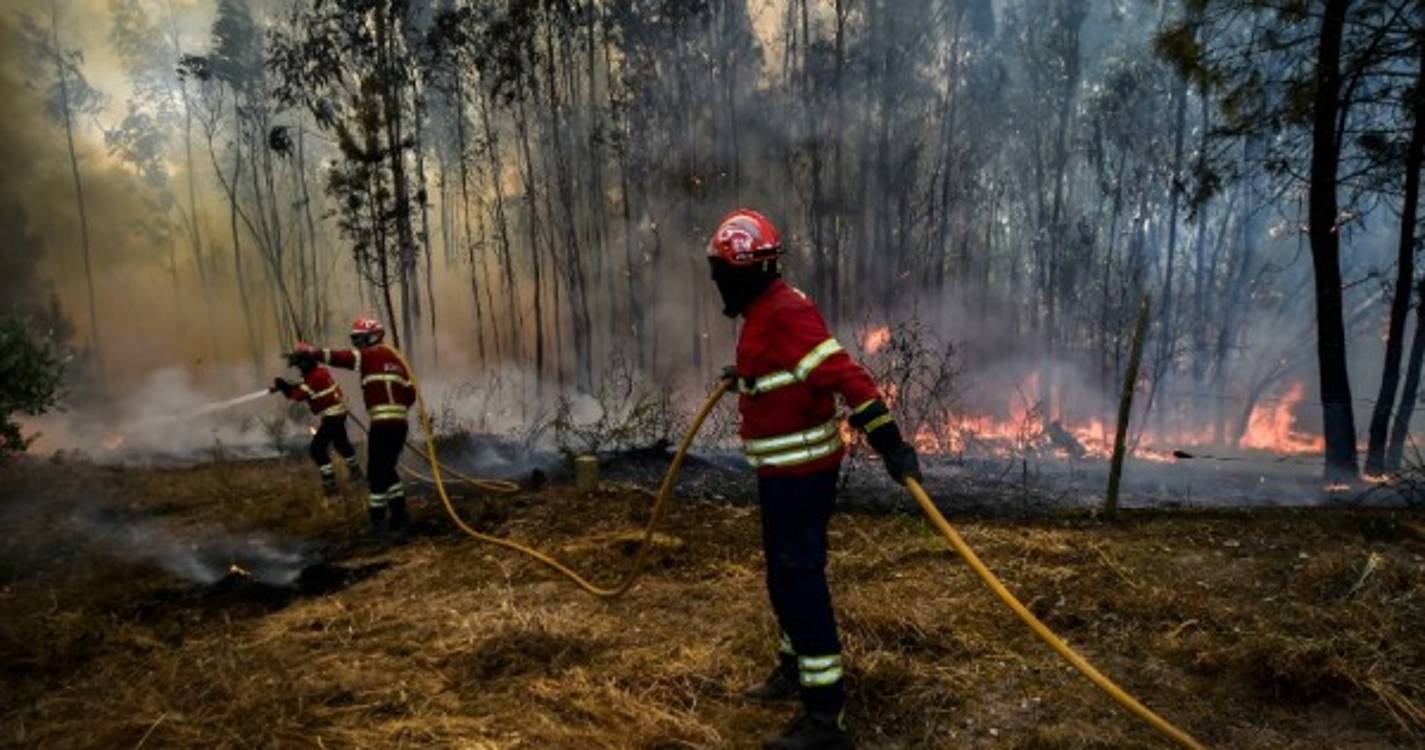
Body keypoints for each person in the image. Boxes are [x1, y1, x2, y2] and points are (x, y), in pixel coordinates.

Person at [708, 209, 921, 750]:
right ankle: (793, 669)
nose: (717, 283)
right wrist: (748, 379)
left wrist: (891, 444)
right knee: (783, 579)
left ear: (750, 271)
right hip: (782, 476)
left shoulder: (782, 315)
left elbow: (850, 379)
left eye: (723, 273)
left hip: (802, 479)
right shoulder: (765, 311)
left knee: (800, 585)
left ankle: (826, 720)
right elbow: (789, 374)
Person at [290, 318, 416, 533]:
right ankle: (400, 516)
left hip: (382, 426)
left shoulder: (370, 355)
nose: (357, 344)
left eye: (359, 338)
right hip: (399, 426)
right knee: (387, 469)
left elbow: (341, 358)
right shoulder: (397, 361)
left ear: (372, 336)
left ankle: (379, 524)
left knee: (375, 474)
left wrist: (314, 352)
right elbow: (411, 395)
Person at [271, 342, 361, 495]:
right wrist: (286, 386)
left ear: (306, 362)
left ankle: (330, 484)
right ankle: (357, 475)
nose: (298, 368)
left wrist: (285, 387)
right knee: (341, 444)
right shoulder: (320, 372)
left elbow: (298, 396)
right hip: (337, 414)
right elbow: (303, 386)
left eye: (299, 364)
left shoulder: (314, 378)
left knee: (317, 449)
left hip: (332, 417)